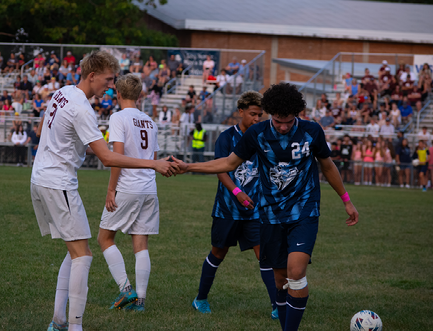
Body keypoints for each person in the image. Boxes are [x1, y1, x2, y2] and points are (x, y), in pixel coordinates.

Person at [172, 83, 359, 331]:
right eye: (279, 120)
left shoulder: (311, 132)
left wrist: (346, 200)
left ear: (298, 115)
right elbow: (228, 163)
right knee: (280, 279)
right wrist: (189, 166)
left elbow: (327, 166)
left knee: (295, 272)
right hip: (269, 215)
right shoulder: (257, 134)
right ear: (270, 113)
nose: (283, 126)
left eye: (289, 121)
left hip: (304, 211)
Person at [30, 51, 177, 331]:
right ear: (92, 75)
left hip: (42, 177)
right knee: (83, 255)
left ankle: (59, 321)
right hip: (58, 182)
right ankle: (73, 326)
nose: (111, 86)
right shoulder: (82, 107)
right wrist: (153, 164)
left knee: (74, 251)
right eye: (108, 80)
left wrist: (72, 145)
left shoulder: (62, 91)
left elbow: (43, 129)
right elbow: (108, 158)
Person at [192, 91, 278, 319]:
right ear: (240, 112)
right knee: (218, 253)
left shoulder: (263, 137)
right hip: (227, 209)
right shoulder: (226, 137)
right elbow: (221, 168)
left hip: (255, 210)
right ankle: (200, 299)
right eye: (252, 114)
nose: (257, 119)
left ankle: (277, 306)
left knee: (265, 256)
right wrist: (238, 192)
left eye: (260, 115)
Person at [97, 73, 161, 312]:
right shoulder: (150, 121)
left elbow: (117, 158)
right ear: (140, 95)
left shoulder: (118, 117)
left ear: (118, 94)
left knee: (104, 238)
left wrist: (111, 189)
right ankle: (140, 302)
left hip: (128, 186)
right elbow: (153, 159)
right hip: (149, 188)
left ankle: (126, 290)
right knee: (141, 244)